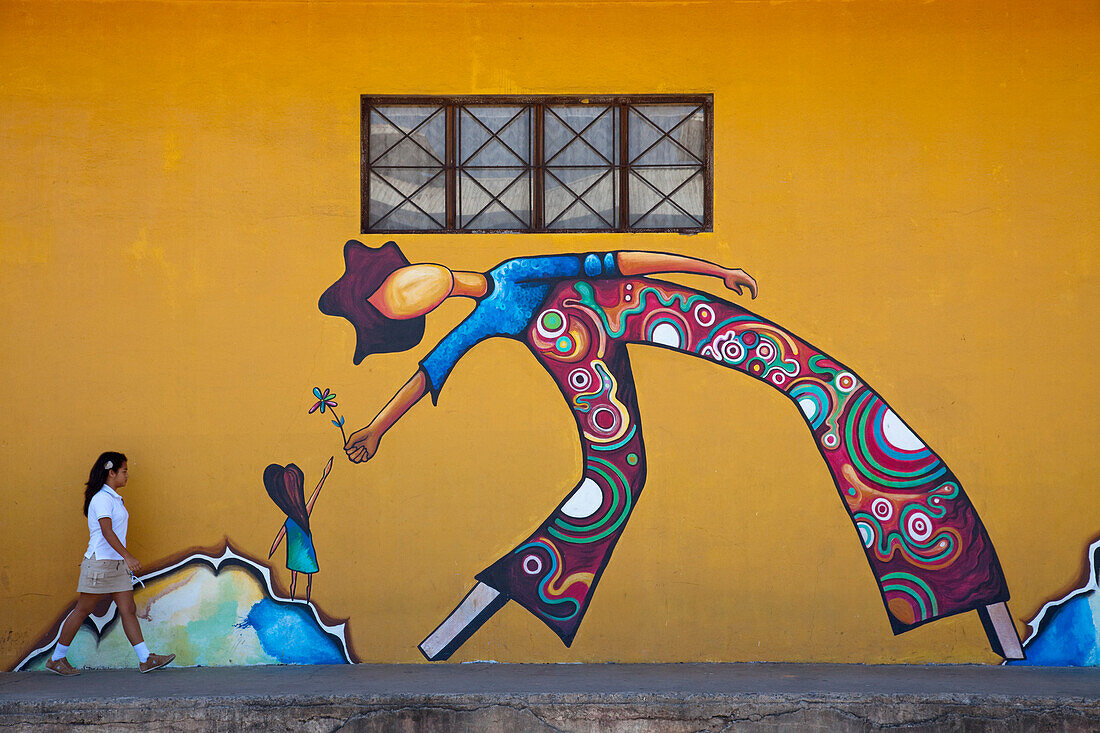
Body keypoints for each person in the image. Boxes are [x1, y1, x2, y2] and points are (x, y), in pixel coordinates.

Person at [319, 240, 1023, 662]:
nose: (413, 291)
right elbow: (428, 374)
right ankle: (458, 628)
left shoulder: (515, 272)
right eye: (398, 304)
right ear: (411, 316)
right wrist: (377, 429)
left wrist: (708, 268)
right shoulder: (482, 318)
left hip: (658, 307)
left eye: (398, 282)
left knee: (819, 381)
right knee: (616, 479)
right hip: (584, 355)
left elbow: (614, 260)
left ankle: (969, 586)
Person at [45, 452, 175, 675]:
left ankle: (146, 659)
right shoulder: (102, 498)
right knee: (83, 610)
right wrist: (128, 556)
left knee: (128, 610)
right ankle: (56, 659)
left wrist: (123, 559)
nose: (126, 476)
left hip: (115, 565)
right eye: (123, 471)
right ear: (111, 472)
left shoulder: (113, 497)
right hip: (100, 564)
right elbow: (106, 531)